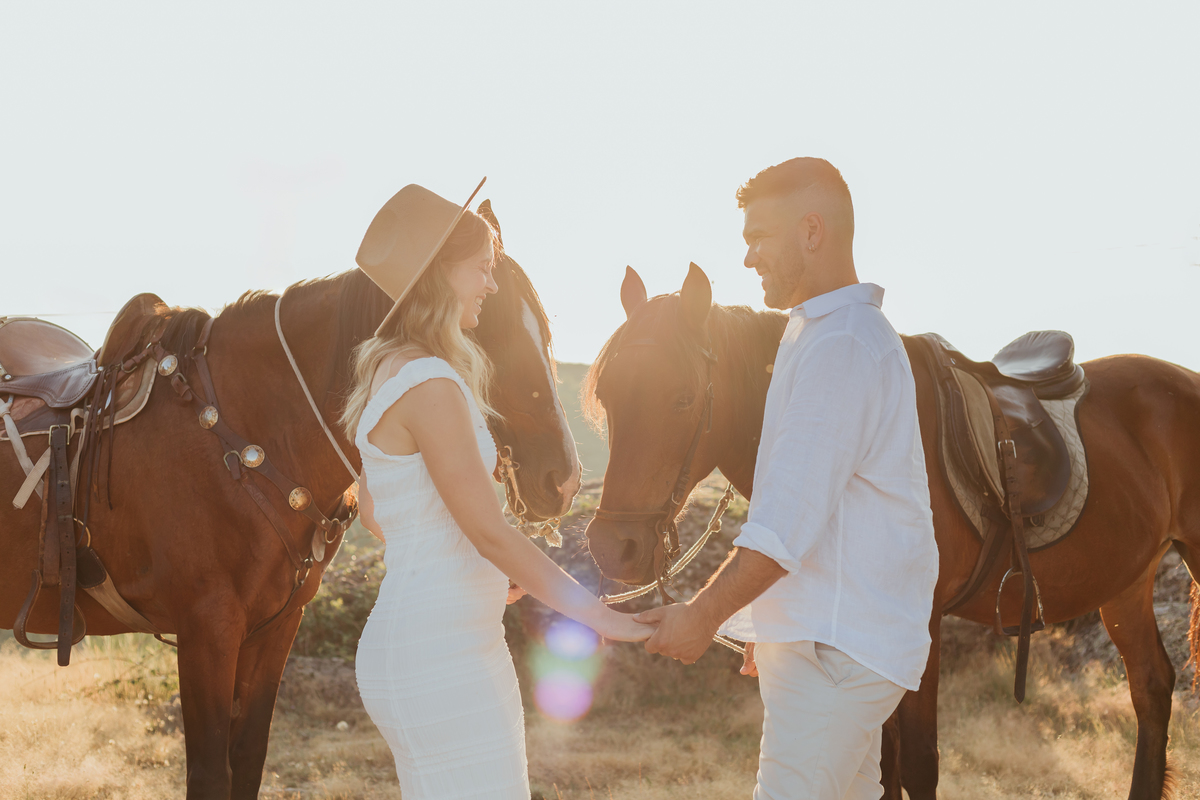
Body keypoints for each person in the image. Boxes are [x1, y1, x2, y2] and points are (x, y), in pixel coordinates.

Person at [634, 158, 939, 799]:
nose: (747, 258)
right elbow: (815, 507)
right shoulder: (824, 334)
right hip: (829, 642)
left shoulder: (843, 345)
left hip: (833, 654)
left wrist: (700, 616)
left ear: (811, 231)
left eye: (758, 237)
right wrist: (773, 621)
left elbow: (784, 526)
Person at [344, 179, 652, 799]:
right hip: (445, 654)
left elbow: (378, 510)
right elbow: (488, 530)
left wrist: (471, 565)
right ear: (439, 274)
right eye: (482, 270)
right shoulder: (433, 382)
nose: (490, 284)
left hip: (414, 644)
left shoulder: (385, 369)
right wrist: (600, 618)